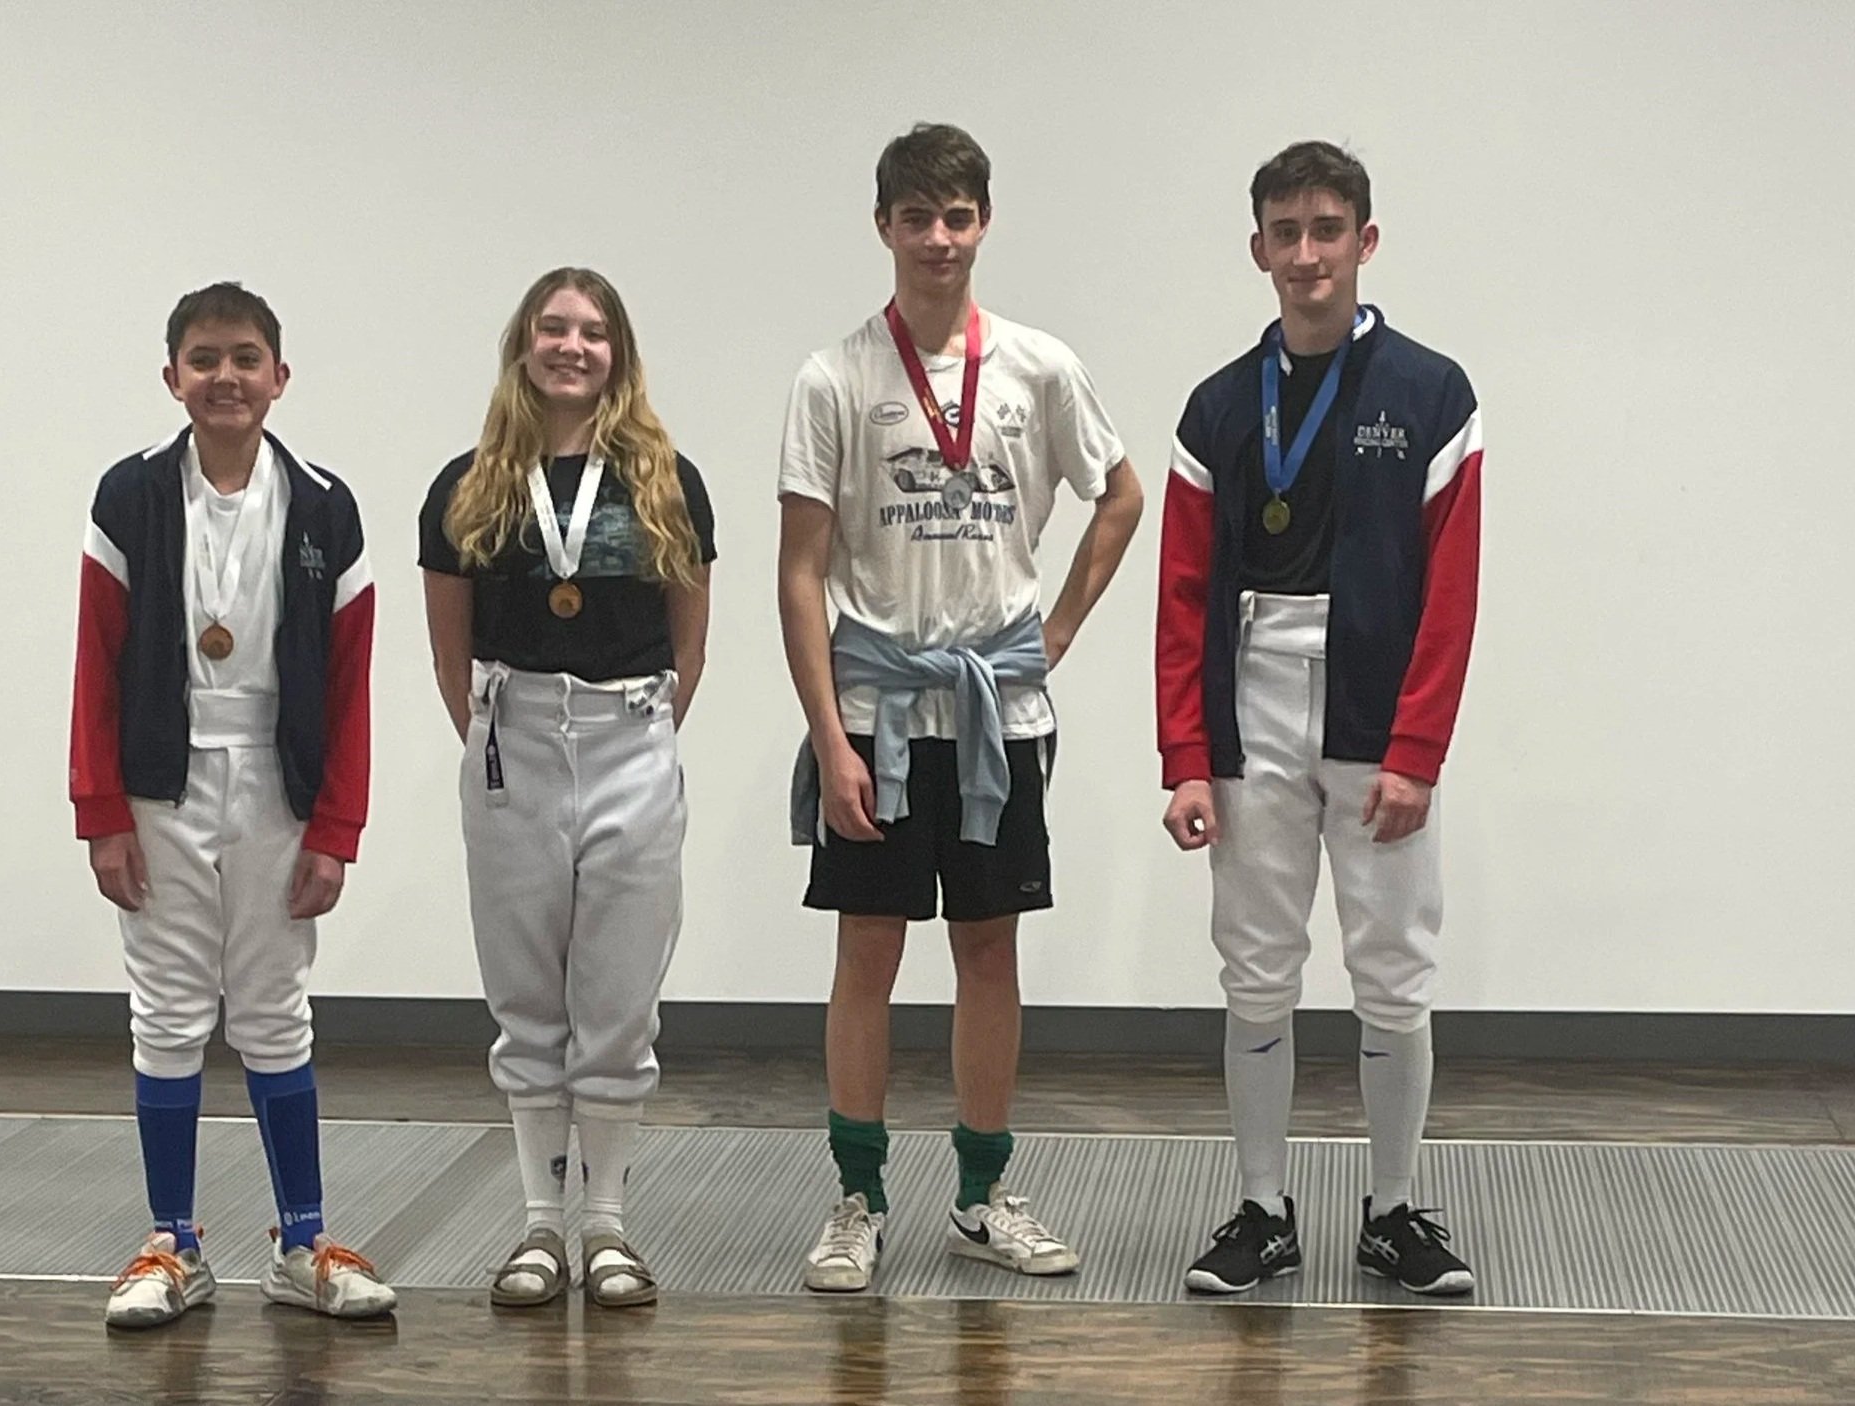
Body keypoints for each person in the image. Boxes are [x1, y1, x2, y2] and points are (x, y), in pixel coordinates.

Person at [777, 123, 1145, 1293]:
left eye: (957, 216)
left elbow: (1121, 496)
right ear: (882, 225)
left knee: (988, 950)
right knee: (866, 952)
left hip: (997, 716)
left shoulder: (1038, 366)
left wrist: (1062, 632)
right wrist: (830, 733)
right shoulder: (833, 376)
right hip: (878, 716)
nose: (937, 238)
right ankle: (855, 1194)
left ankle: (985, 1193)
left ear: (983, 222)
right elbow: (798, 570)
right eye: (915, 217)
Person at [1155, 141, 1484, 1296]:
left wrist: (1417, 748)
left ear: (1365, 242)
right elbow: (1182, 592)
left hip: (1375, 707)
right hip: (1251, 709)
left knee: (1393, 968)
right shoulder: (1213, 406)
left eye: (1327, 230)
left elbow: (1452, 591)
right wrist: (1186, 755)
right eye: (1285, 233)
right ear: (1258, 250)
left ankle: (1392, 1208)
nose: (1306, 254)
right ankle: (1260, 1205)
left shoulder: (1432, 393)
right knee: (1255, 968)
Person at [70, 281, 395, 1327]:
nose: (225, 376)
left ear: (280, 378)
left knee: (270, 1005)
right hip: (160, 779)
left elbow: (351, 682)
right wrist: (101, 810)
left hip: (275, 782)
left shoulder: (326, 505)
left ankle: (301, 1238)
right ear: (172, 377)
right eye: (204, 358)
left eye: (245, 357)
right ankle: (173, 1241)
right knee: (166, 1008)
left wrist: (336, 826)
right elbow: (96, 662)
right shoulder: (127, 497)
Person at [420, 267, 715, 1310]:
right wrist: (497, 734)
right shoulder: (467, 484)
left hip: (630, 732)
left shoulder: (666, 480)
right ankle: (540, 1226)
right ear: (523, 345)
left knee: (618, 1000)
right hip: (513, 742)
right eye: (553, 328)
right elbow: (448, 646)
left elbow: (691, 632)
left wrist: (640, 729)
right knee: (526, 998)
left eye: (592, 332)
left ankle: (608, 1224)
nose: (571, 346)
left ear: (616, 354)